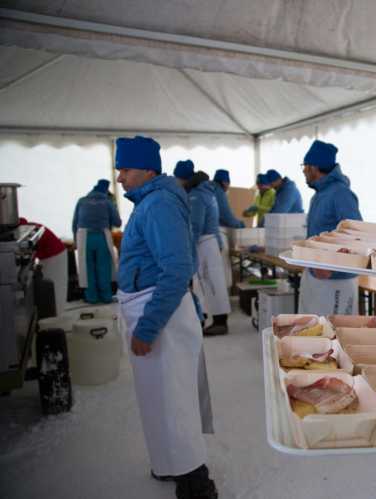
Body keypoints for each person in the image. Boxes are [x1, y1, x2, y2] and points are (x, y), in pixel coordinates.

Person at [115, 137, 217, 499]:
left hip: (160, 313)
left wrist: (147, 326)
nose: (120, 177)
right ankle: (169, 465)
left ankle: (195, 483)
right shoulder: (149, 201)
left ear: (147, 169)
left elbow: (176, 269)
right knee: (158, 398)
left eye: (125, 169)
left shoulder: (157, 204)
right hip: (152, 306)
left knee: (173, 401)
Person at [298, 140, 362, 316]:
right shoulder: (318, 195)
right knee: (314, 332)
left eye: (305, 165)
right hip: (316, 274)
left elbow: (358, 236)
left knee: (334, 335)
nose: (303, 170)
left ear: (315, 168)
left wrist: (334, 267)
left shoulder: (340, 194)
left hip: (336, 279)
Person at [174, 160, 232, 336]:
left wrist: (187, 249)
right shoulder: (205, 191)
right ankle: (203, 319)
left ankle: (220, 322)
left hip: (204, 243)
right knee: (205, 284)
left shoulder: (196, 196)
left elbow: (196, 225)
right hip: (209, 242)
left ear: (182, 178)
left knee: (210, 284)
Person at [72, 179, 122, 304]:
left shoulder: (81, 200)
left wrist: (75, 239)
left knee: (88, 267)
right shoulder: (107, 202)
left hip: (83, 236)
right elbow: (117, 222)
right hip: (101, 236)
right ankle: (106, 296)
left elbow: (75, 222)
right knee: (103, 267)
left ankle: (91, 297)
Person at [19, 218, 68, 316]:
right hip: (56, 253)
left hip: (53, 255)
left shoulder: (27, 232)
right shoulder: (30, 226)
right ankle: (57, 313)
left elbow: (30, 252)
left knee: (54, 285)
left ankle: (55, 315)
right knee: (56, 284)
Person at [207, 169, 244, 291]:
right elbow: (226, 214)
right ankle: (223, 304)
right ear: (224, 181)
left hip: (206, 237)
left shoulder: (208, 190)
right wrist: (239, 225)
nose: (228, 186)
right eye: (228, 183)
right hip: (217, 233)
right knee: (222, 271)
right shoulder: (219, 192)